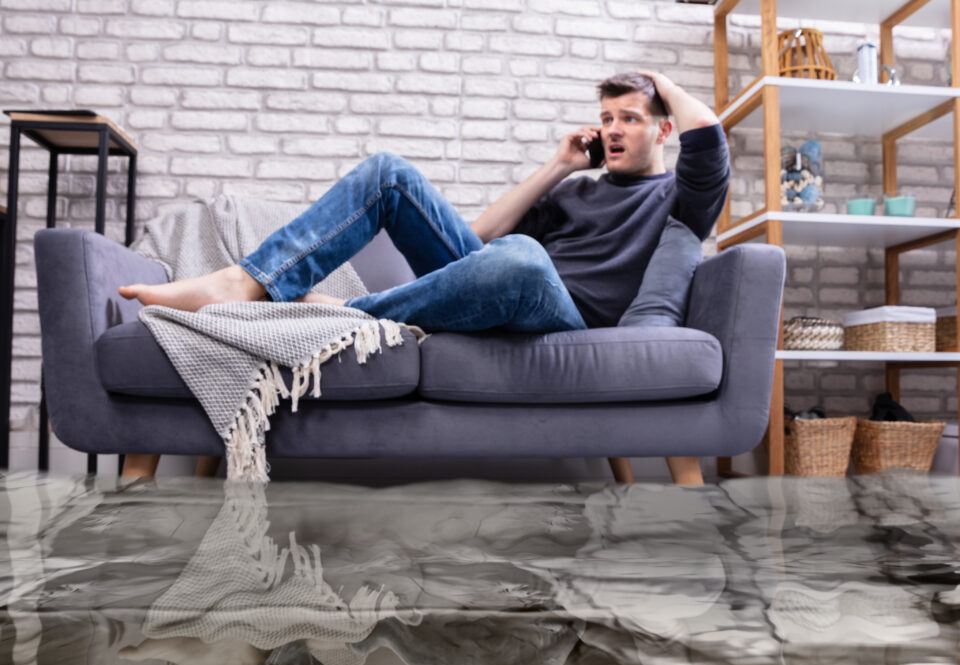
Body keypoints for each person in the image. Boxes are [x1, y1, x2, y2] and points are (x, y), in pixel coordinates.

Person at [118, 70, 729, 485]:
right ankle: (248, 284)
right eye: (607, 118)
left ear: (663, 127)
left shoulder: (680, 197)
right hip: (504, 278)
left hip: (561, 315)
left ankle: (353, 312)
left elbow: (709, 137)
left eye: (631, 118)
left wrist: (658, 81)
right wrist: (560, 164)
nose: (615, 129)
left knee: (522, 259)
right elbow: (482, 239)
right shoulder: (579, 189)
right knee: (391, 173)